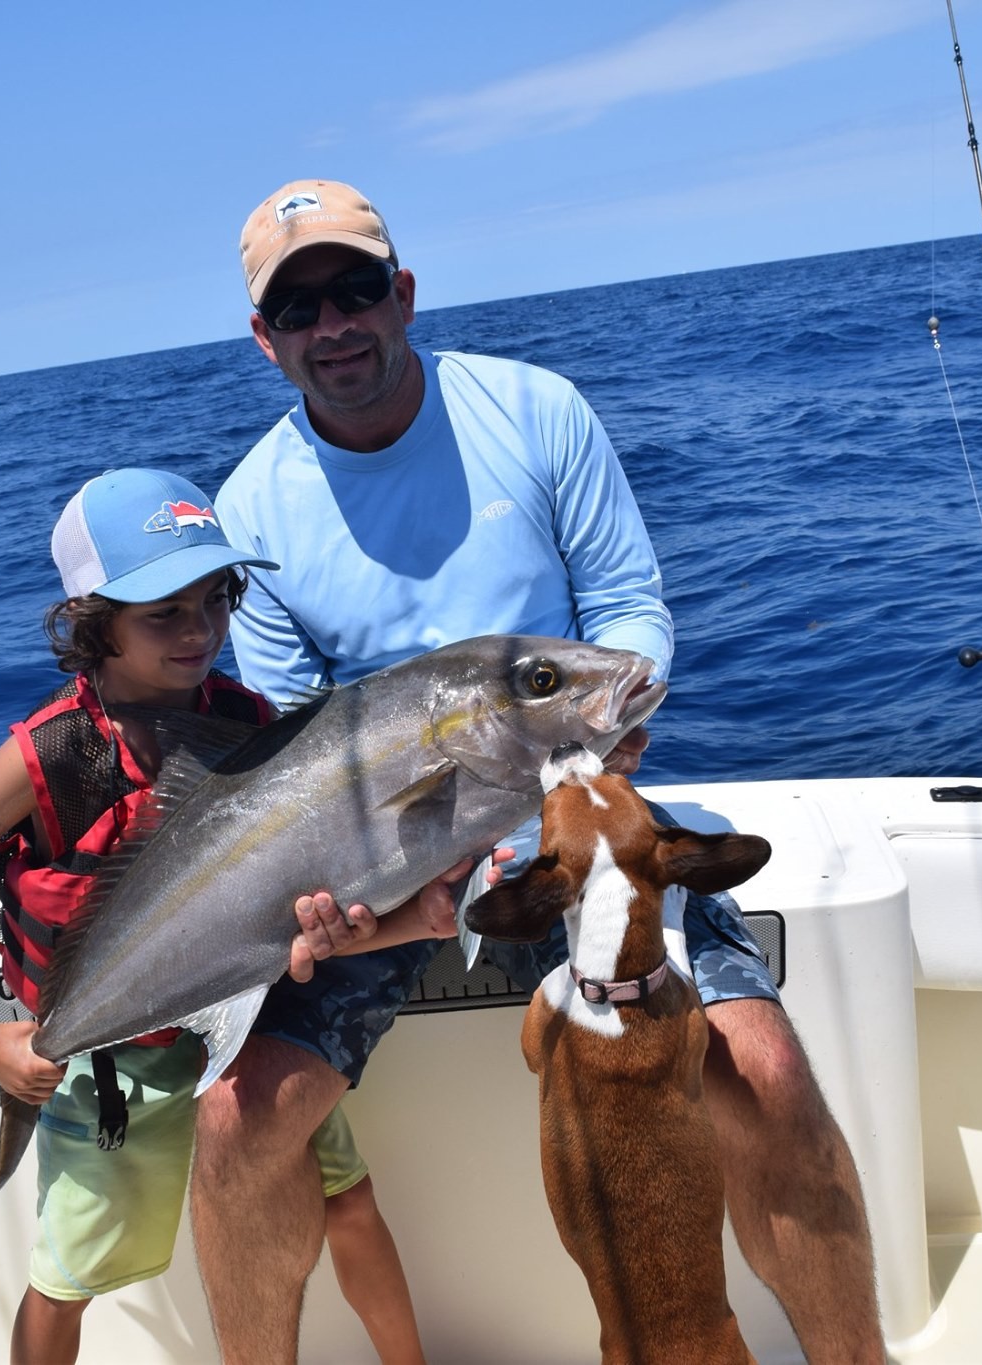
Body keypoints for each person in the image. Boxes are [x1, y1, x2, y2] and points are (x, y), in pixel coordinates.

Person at [195, 180, 886, 1363]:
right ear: (266, 341)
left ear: (400, 293)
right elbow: (294, 746)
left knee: (762, 1069)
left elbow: (627, 611)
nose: (334, 323)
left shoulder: (532, 410)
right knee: (230, 1128)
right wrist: (351, 904)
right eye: (299, 307)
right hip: (389, 877)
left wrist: (612, 724)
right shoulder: (250, 510)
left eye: (355, 288)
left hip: (571, 825)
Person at [0, 467, 440, 1365]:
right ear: (91, 619)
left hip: (250, 1043)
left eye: (215, 601)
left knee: (348, 1201)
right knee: (66, 1277)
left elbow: (283, 916)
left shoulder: (251, 720)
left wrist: (374, 926)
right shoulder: (48, 752)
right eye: (163, 613)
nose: (200, 632)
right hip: (111, 1072)